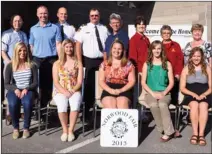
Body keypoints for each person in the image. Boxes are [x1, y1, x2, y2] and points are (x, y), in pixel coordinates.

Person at [74, 8, 109, 122]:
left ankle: (99, 111)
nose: (94, 17)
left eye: (96, 15)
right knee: (88, 88)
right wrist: (79, 62)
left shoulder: (104, 29)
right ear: (89, 17)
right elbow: (78, 46)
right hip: (88, 61)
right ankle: (85, 113)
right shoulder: (83, 28)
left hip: (101, 61)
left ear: (99, 16)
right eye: (92, 15)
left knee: (101, 86)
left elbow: (108, 46)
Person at [29, 5, 62, 120]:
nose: (43, 15)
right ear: (37, 15)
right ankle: (37, 111)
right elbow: (31, 46)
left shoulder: (55, 28)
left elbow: (58, 45)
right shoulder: (33, 29)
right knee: (37, 86)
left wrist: (60, 60)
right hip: (37, 60)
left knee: (49, 87)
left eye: (45, 13)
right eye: (41, 13)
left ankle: (47, 111)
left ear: (48, 14)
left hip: (51, 60)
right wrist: (32, 59)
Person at [141, 40, 175, 142]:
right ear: (151, 50)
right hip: (150, 92)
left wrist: (163, 93)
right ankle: (164, 130)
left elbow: (171, 82)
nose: (157, 51)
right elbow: (143, 82)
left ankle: (168, 132)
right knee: (153, 105)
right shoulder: (147, 64)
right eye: (154, 48)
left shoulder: (167, 64)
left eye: (159, 48)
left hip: (165, 92)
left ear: (162, 50)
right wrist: (153, 93)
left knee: (162, 104)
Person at [4, 42, 38, 139]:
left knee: (27, 103)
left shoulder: (32, 65)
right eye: (20, 51)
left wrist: (27, 88)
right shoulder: (10, 65)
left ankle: (26, 128)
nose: (22, 53)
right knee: (13, 104)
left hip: (28, 90)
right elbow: (6, 84)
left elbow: (35, 83)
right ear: (16, 52)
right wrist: (15, 89)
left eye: (24, 51)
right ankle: (15, 128)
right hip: (14, 90)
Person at [52, 39, 83, 142]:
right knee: (62, 105)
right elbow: (56, 82)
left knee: (75, 103)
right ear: (63, 48)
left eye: (71, 47)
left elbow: (79, 82)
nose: (69, 49)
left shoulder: (78, 63)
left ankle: (71, 130)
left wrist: (72, 91)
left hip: (74, 90)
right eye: (67, 47)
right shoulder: (57, 64)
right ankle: (65, 130)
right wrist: (65, 91)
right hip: (60, 90)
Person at [180, 47, 211, 146]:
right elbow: (182, 88)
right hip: (190, 93)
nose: (196, 58)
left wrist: (204, 94)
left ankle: (201, 134)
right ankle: (195, 133)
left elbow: (211, 87)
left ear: (202, 57)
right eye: (194, 56)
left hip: (205, 93)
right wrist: (193, 94)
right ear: (191, 57)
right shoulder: (186, 69)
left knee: (203, 106)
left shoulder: (207, 68)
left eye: (198, 56)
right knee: (194, 105)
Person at [1, 14, 28, 124]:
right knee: (10, 89)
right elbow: (2, 51)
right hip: (10, 66)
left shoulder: (23, 34)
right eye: (15, 21)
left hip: (21, 66)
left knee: (22, 86)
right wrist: (9, 64)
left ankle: (20, 111)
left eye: (19, 21)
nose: (17, 23)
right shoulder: (6, 34)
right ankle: (9, 114)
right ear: (12, 22)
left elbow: (26, 50)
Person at [160, 25, 184, 137]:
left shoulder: (176, 45)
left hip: (174, 78)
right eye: (164, 33)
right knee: (163, 103)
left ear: (171, 33)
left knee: (174, 103)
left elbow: (180, 61)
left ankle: (174, 126)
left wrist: (178, 73)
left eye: (168, 32)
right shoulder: (157, 46)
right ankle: (166, 126)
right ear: (161, 34)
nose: (166, 34)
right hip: (161, 79)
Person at [99, 40, 135, 108]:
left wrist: (121, 90)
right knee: (110, 104)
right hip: (108, 89)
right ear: (111, 49)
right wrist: (110, 90)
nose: (116, 51)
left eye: (119, 49)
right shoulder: (104, 64)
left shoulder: (128, 64)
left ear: (122, 51)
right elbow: (101, 81)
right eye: (114, 48)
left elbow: (132, 81)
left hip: (124, 89)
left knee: (122, 103)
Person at [129, 15, 150, 120]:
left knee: (144, 93)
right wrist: (138, 72)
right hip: (139, 71)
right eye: (139, 24)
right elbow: (133, 58)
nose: (142, 26)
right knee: (137, 93)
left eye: (143, 24)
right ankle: (137, 114)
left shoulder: (146, 39)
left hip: (147, 70)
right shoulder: (134, 40)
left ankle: (142, 113)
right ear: (136, 26)